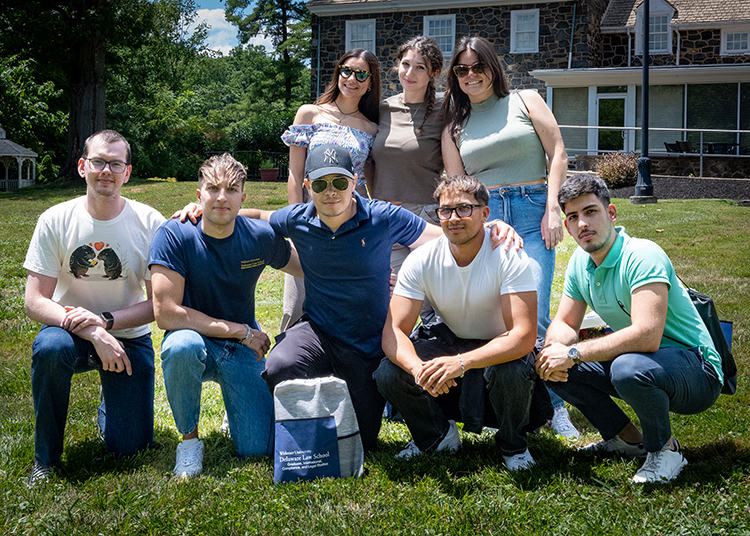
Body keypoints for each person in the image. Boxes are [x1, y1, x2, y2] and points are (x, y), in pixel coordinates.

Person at [231, 143, 520, 452]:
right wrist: (212, 211)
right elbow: (260, 215)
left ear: (354, 181)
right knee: (280, 365)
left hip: (369, 346)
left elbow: (438, 234)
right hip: (319, 332)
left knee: (364, 442)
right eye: (320, 184)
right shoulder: (298, 218)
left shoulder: (383, 216)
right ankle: (306, 430)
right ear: (307, 187)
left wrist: (489, 227)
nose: (331, 191)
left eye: (340, 182)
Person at [535, 174, 723, 483]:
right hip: (647, 361)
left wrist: (572, 351)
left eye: (590, 211)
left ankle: (665, 449)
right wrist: (554, 351)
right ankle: (625, 439)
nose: (582, 223)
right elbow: (566, 323)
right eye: (573, 217)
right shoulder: (580, 265)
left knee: (626, 368)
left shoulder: (642, 255)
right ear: (567, 226)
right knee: (543, 359)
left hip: (697, 369)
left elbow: (646, 335)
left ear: (610, 214)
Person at [441, 35, 578, 439]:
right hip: (485, 216)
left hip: (534, 209)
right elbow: (455, 186)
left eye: (477, 66)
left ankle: (557, 407)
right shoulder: (454, 126)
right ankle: (514, 402)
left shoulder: (526, 99)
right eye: (461, 69)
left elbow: (557, 152)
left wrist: (554, 207)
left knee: (530, 313)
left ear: (492, 67)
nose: (470, 75)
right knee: (501, 315)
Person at [374, 175, 550, 470]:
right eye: (446, 210)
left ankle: (513, 446)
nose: (454, 218)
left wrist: (461, 363)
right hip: (451, 339)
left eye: (464, 209)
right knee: (388, 372)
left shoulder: (508, 255)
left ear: (485, 213)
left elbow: (523, 336)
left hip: (502, 347)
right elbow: (393, 332)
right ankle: (438, 436)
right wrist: (420, 370)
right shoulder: (422, 259)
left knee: (514, 369)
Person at [23, 129, 165, 486]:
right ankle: (45, 460)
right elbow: (35, 301)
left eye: (115, 164)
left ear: (127, 172)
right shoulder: (55, 219)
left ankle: (112, 403)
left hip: (128, 338)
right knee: (50, 349)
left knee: (131, 450)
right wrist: (92, 330)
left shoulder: (150, 222)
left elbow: (159, 305)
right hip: (67, 333)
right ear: (83, 166)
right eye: (99, 162)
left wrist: (105, 323)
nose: (107, 170)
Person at [149, 153, 302, 478]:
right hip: (196, 340)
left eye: (231, 189)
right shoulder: (174, 234)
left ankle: (237, 410)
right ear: (198, 194)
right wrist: (240, 331)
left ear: (243, 197)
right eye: (213, 188)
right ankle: (189, 443)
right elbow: (165, 314)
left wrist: (365, 274)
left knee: (256, 449)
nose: (221, 196)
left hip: (241, 350)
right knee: (180, 348)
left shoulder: (259, 237)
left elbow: (310, 269)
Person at [279, 48, 381, 332]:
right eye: (346, 70)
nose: (352, 78)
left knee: (346, 302)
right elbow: (295, 173)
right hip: (312, 219)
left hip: (351, 224)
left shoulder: (372, 128)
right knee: (297, 301)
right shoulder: (310, 114)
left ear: (370, 83)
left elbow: (366, 182)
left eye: (362, 74)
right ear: (338, 73)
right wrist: (294, 219)